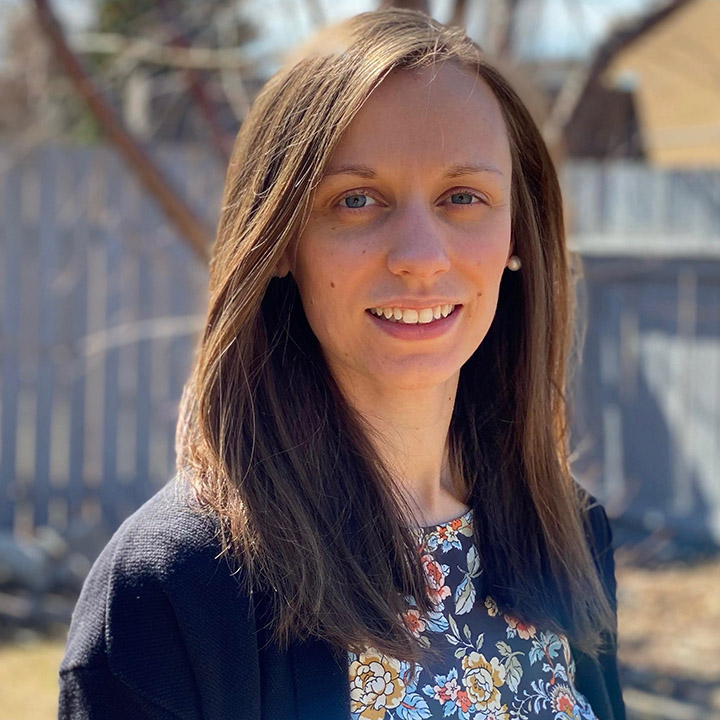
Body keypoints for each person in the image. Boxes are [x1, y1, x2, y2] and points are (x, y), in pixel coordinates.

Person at [58, 9, 626, 720]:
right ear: (283, 242)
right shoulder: (172, 589)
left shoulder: (570, 532)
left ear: (517, 233)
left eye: (464, 197)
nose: (420, 255)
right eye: (357, 200)